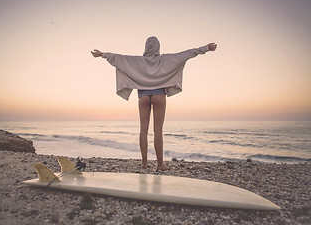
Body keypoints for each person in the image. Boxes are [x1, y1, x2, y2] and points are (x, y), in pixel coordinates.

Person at [91, 37, 217, 170]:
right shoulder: (166, 59)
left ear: (146, 47)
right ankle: (160, 164)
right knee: (158, 131)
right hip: (159, 95)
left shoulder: (138, 61)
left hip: (143, 96)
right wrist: (206, 48)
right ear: (158, 47)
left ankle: (144, 164)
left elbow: (120, 58)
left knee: (143, 130)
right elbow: (187, 54)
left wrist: (102, 54)